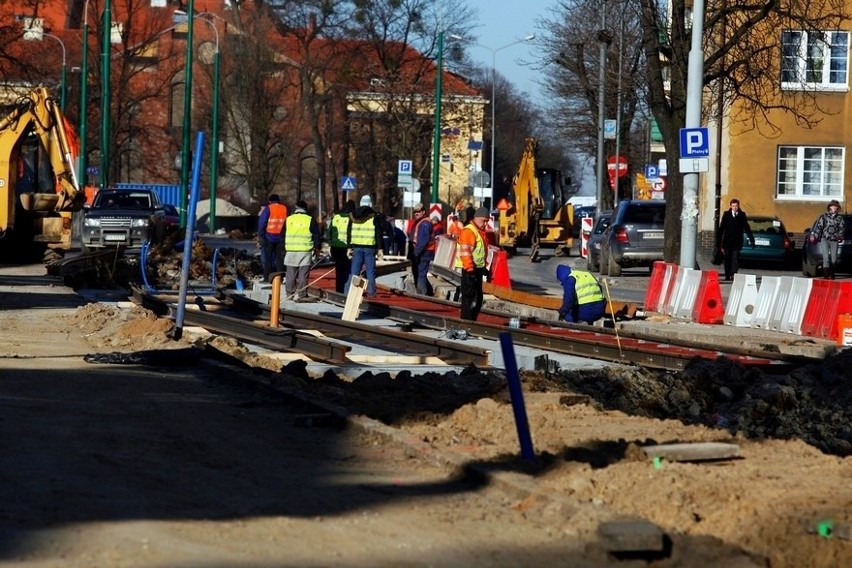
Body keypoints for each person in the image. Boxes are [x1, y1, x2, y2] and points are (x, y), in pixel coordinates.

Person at [455, 207, 491, 321]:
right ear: (476, 218)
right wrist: (470, 269)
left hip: (476, 270)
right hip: (470, 271)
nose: (485, 224)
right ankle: (466, 323)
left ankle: (470, 322)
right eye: (483, 221)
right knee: (470, 300)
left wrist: (483, 268)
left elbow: (479, 253)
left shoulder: (479, 231)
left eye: (487, 221)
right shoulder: (469, 231)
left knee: (477, 300)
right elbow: (466, 253)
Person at [345, 194, 384, 298]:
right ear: (370, 204)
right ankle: (372, 293)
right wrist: (380, 248)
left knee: (355, 271)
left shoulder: (352, 216)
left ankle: (351, 293)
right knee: (370, 271)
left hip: (356, 247)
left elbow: (348, 232)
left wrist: (349, 247)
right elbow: (378, 233)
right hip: (370, 248)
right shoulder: (374, 216)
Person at [282, 200, 321, 302]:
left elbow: (282, 235)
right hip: (305, 251)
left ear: (296, 208)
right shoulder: (310, 220)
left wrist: (282, 249)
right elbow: (316, 235)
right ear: (305, 209)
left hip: (290, 251)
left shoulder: (289, 219)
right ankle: (302, 295)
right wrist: (317, 248)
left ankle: (289, 294)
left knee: (290, 274)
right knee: (303, 275)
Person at [716, 198, 755, 281]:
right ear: (730, 206)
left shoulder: (742, 215)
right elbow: (721, 228)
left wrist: (751, 239)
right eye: (733, 206)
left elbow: (746, 227)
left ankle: (733, 274)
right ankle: (727, 275)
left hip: (737, 242)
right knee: (727, 259)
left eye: (736, 206)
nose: (735, 207)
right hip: (727, 242)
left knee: (735, 259)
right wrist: (718, 243)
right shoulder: (726, 214)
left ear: (738, 206)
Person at [809, 199, 846, 279]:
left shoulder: (840, 218)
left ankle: (832, 273)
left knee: (834, 259)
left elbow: (842, 229)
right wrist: (815, 235)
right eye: (832, 206)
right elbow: (819, 227)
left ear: (837, 208)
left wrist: (840, 235)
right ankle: (826, 275)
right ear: (829, 207)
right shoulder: (824, 216)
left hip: (834, 240)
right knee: (825, 257)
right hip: (824, 238)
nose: (834, 208)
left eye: (836, 206)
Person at [257, 194, 288, 282]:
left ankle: (267, 277)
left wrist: (262, 235)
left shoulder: (269, 208)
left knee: (268, 259)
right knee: (279, 259)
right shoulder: (284, 208)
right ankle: (279, 278)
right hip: (281, 237)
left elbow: (262, 222)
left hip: (269, 236)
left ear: (270, 201)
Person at [328, 200, 355, 293]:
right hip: (345, 247)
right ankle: (346, 291)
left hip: (335, 247)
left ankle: (339, 289)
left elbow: (329, 231)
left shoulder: (336, 217)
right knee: (347, 270)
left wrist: (330, 243)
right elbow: (350, 234)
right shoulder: (350, 219)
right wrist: (350, 246)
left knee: (338, 270)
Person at [408, 203, 435, 295]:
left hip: (423, 253)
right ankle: (429, 292)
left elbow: (423, 241)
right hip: (421, 252)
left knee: (420, 275)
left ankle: (422, 295)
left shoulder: (424, 224)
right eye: (415, 211)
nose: (416, 213)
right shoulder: (420, 222)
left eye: (418, 211)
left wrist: (416, 253)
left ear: (423, 212)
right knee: (419, 274)